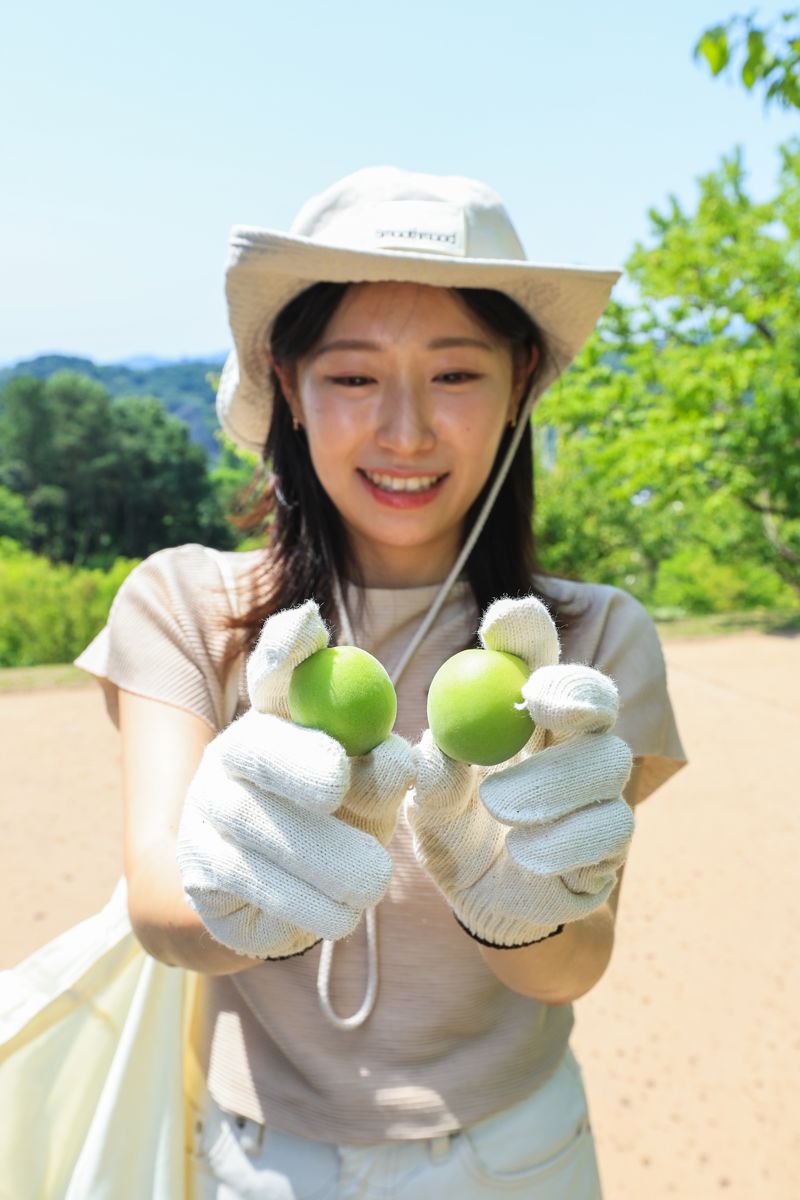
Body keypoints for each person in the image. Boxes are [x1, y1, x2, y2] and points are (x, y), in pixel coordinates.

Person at [76, 166, 686, 1198]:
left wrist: (521, 909)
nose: (403, 431)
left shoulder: (580, 647)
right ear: (289, 384)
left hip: (515, 1156)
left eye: (454, 375)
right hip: (257, 1164)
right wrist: (231, 875)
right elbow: (159, 909)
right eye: (354, 376)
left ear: (519, 382)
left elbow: (574, 964)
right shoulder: (184, 607)